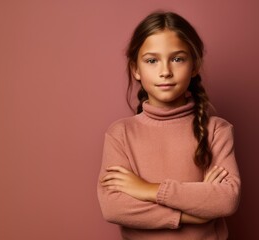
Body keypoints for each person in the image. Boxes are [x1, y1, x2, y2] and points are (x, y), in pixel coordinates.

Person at [97, 11, 241, 240]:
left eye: (177, 59)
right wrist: (195, 214)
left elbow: (225, 199)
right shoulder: (120, 134)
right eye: (152, 60)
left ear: (194, 66)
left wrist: (146, 189)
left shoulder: (217, 130)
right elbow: (114, 207)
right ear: (136, 69)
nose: (165, 71)